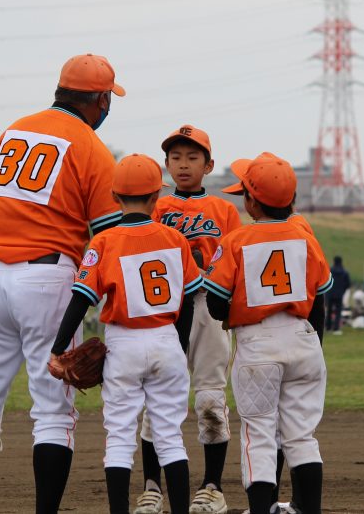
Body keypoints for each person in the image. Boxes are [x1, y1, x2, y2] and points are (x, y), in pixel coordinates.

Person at [0, 54, 125, 514]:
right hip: (46, 275)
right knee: (53, 412)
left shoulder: (14, 131)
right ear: (101, 100)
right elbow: (108, 236)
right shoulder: (91, 147)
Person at [50, 153, 201, 514]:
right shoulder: (175, 239)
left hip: (124, 342)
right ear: (156, 197)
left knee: (119, 437)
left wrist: (58, 348)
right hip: (166, 338)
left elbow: (81, 299)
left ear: (115, 196)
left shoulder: (104, 241)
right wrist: (179, 347)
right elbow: (189, 301)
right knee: (170, 438)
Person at [204, 153, 332, 514]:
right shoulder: (306, 237)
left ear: (251, 201)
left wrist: (240, 309)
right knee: (301, 436)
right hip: (304, 339)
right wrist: (313, 345)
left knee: (259, 435)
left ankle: (262, 509)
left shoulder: (237, 240)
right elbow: (320, 300)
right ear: (292, 199)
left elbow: (215, 305)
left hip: (258, 342)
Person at [137, 125, 241, 514]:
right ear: (166, 165)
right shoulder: (156, 209)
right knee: (158, 398)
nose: (183, 164)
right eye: (176, 157)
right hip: (165, 309)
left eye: (193, 157)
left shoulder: (224, 211)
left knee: (211, 398)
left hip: (208, 308)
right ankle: (151, 487)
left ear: (208, 165)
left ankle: (212, 487)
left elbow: (234, 263)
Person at [327, 257, 350, 335]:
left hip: (330, 293)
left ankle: (328, 327)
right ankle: (336, 328)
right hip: (339, 294)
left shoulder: (330, 270)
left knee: (329, 311)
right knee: (338, 311)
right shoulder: (344, 272)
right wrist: (342, 291)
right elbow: (348, 284)